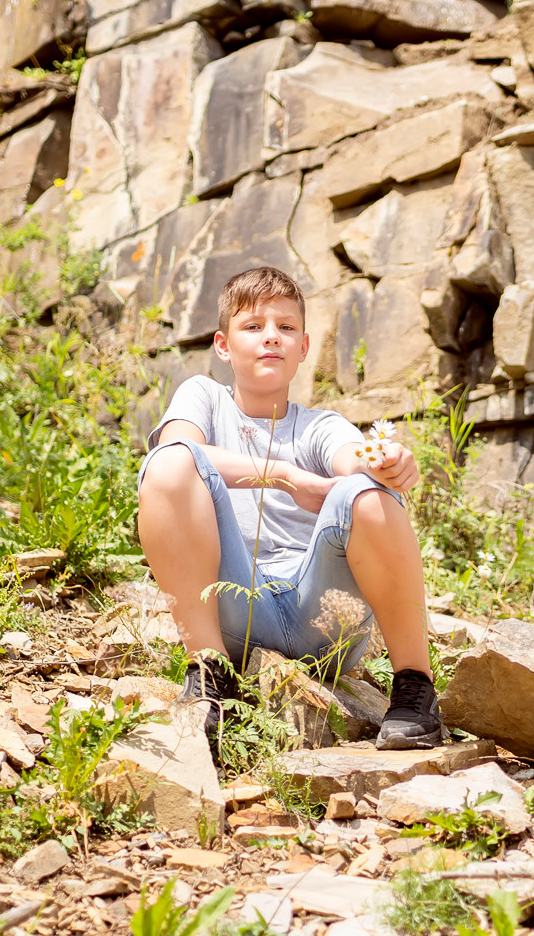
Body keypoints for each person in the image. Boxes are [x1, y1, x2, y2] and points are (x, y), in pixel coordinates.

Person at [134, 264, 443, 758]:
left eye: (286, 328)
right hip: (233, 611)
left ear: (303, 348)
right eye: (253, 327)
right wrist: (286, 475)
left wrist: (385, 465)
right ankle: (209, 674)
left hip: (322, 616)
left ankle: (415, 692)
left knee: (364, 492)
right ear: (222, 345)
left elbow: (353, 461)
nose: (270, 338)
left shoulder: (321, 425)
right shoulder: (204, 398)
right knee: (170, 464)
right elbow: (177, 448)